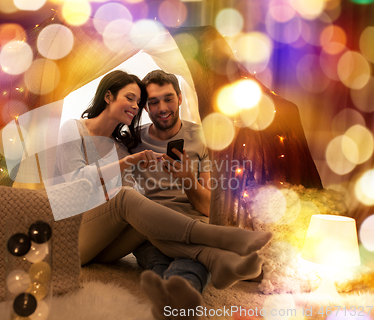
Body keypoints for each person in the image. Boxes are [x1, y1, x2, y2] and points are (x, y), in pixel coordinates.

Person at [52, 70, 271, 299]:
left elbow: (136, 197)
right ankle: (218, 240)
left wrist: (185, 179)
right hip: (71, 237)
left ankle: (212, 263)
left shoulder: (122, 146)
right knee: (129, 202)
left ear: (179, 98)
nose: (136, 106)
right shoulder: (83, 131)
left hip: (123, 236)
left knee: (155, 238)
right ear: (108, 97)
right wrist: (129, 163)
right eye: (137, 100)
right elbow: (77, 180)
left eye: (138, 101)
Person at [130, 70, 214, 319]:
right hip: (150, 229)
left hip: (192, 226)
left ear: (179, 98)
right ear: (145, 107)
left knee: (193, 260)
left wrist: (188, 180)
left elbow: (210, 207)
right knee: (156, 258)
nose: (162, 108)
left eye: (168, 98)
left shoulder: (202, 138)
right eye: (153, 102)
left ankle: (175, 301)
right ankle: (175, 301)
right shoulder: (132, 141)